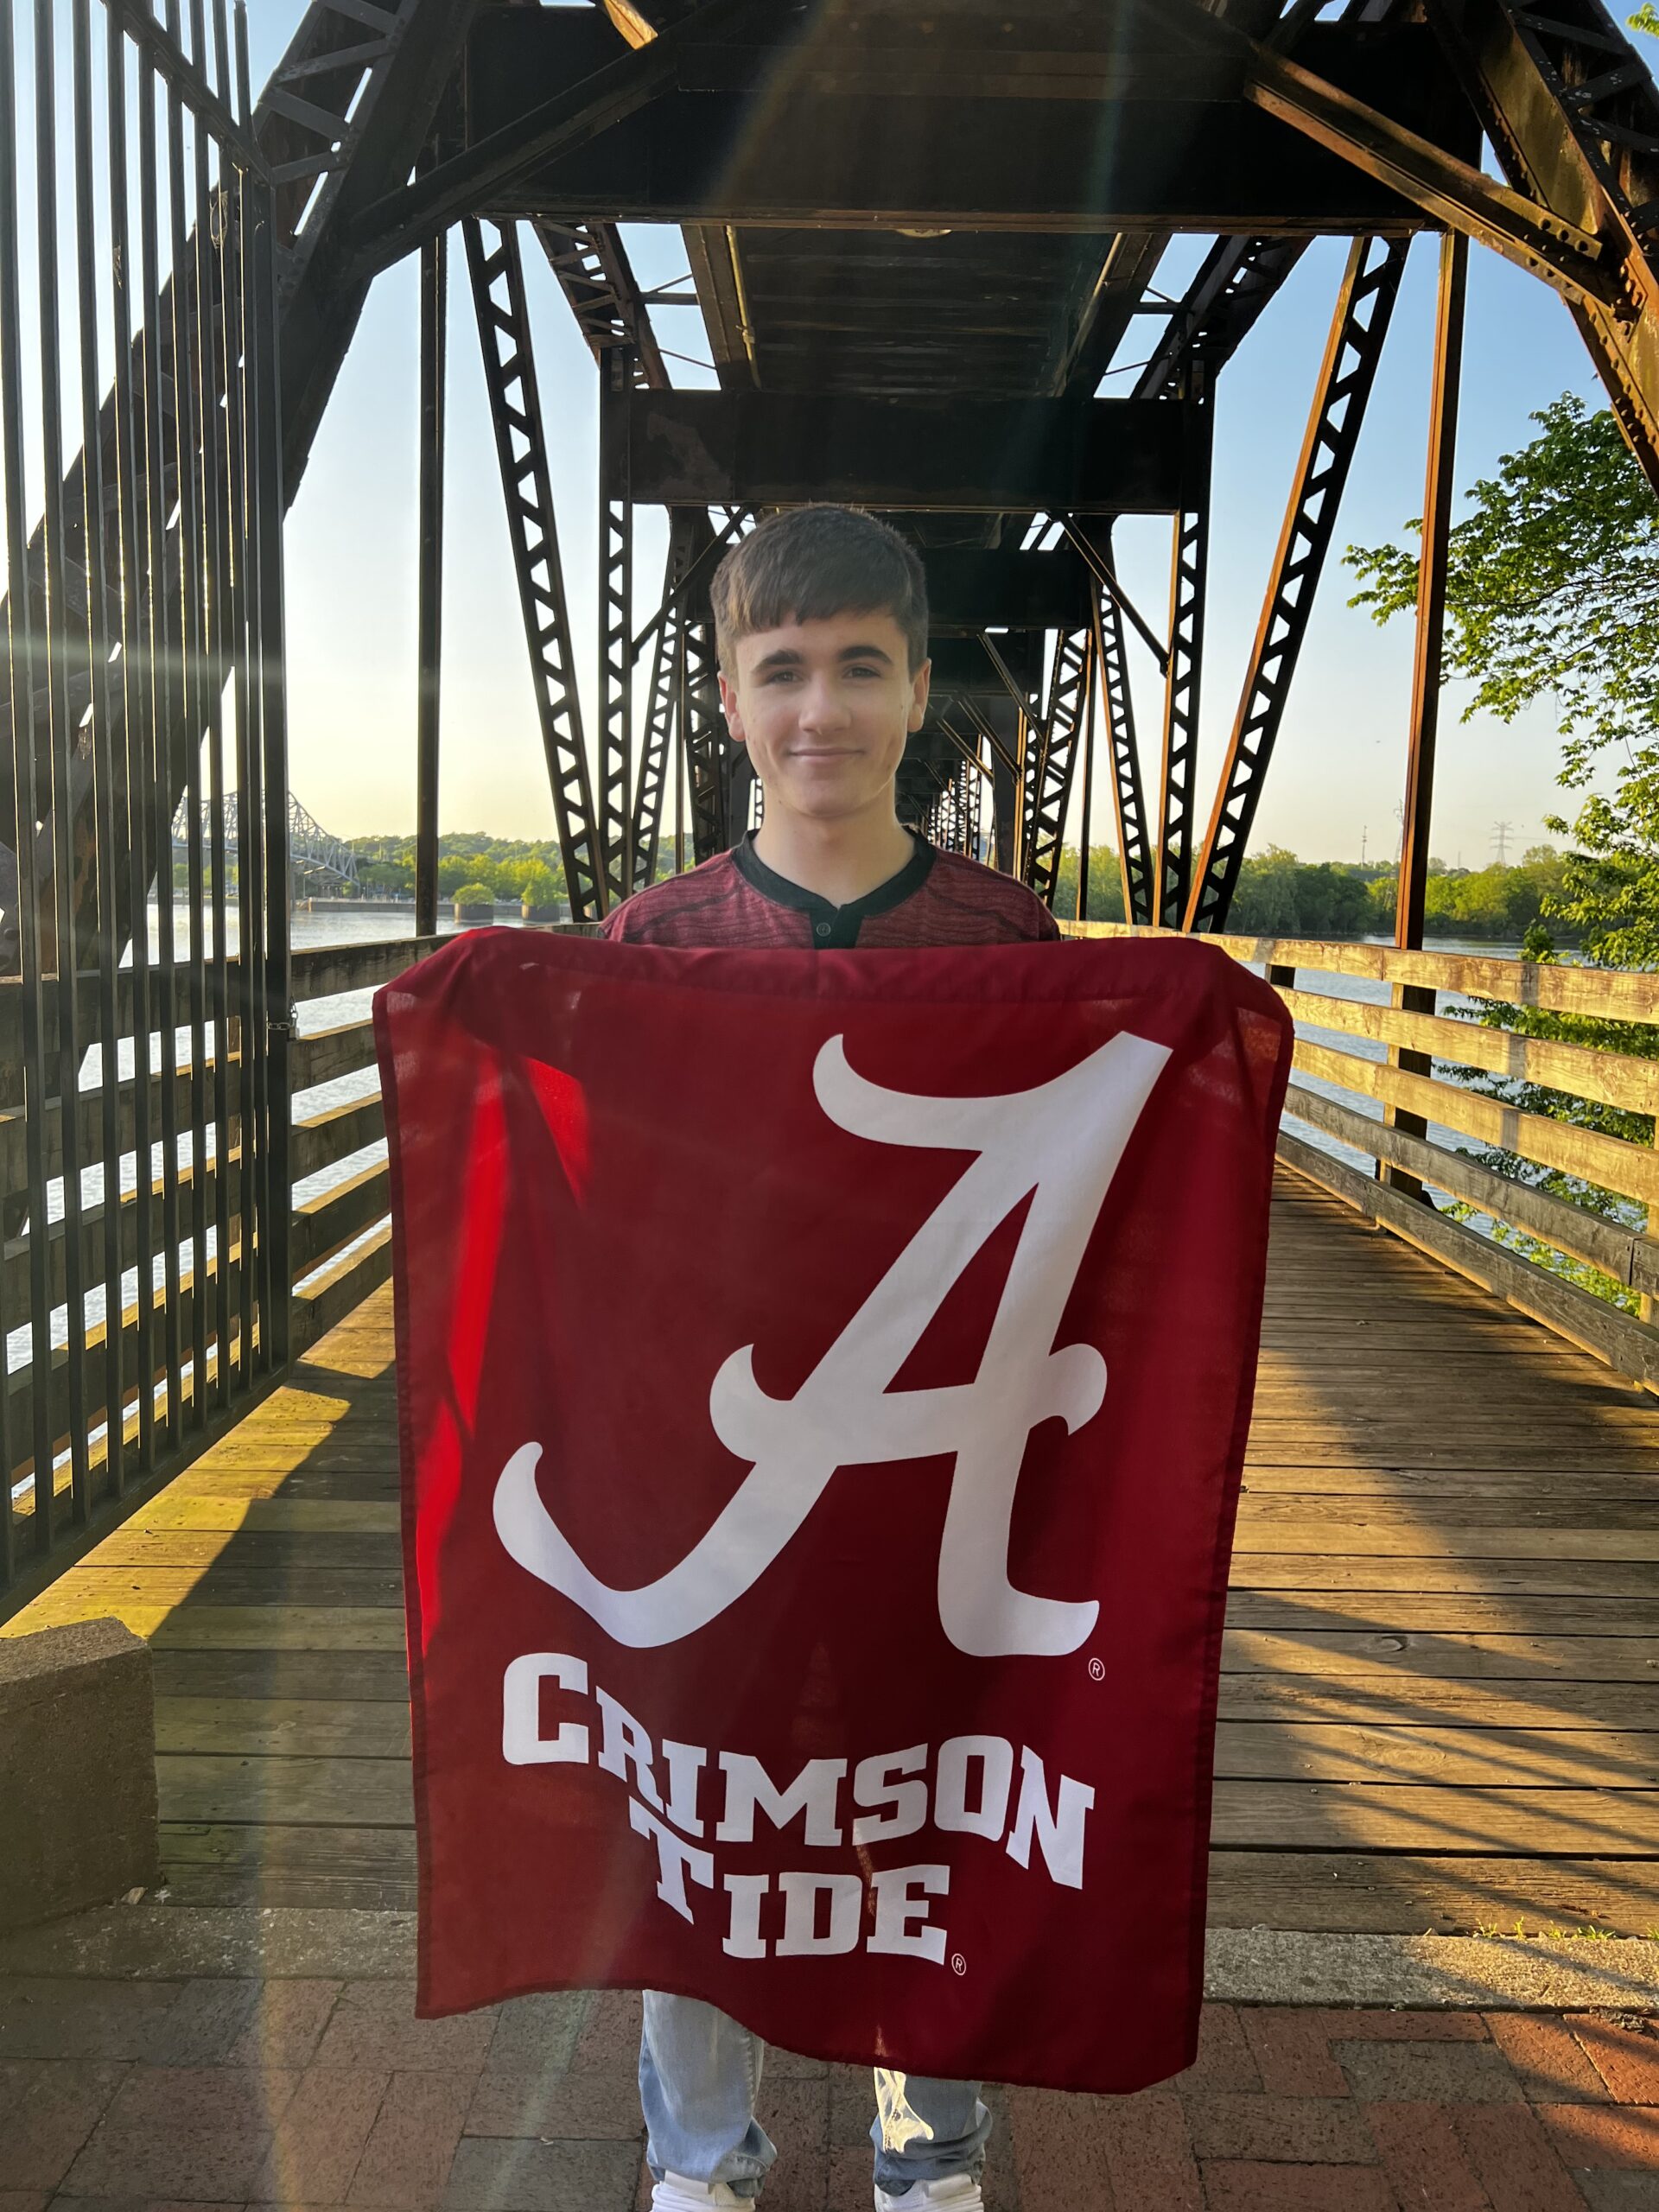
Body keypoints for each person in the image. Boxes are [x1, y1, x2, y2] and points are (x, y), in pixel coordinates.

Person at [601, 505, 1058, 2212]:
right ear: (730, 697)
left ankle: (930, 2150)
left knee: (926, 1800)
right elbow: (600, 1219)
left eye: (860, 665)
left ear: (920, 685)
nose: (821, 709)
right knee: (696, 1798)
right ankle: (698, 2153)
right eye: (782, 669)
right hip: (721, 1464)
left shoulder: (1005, 941)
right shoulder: (657, 942)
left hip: (935, 1456)